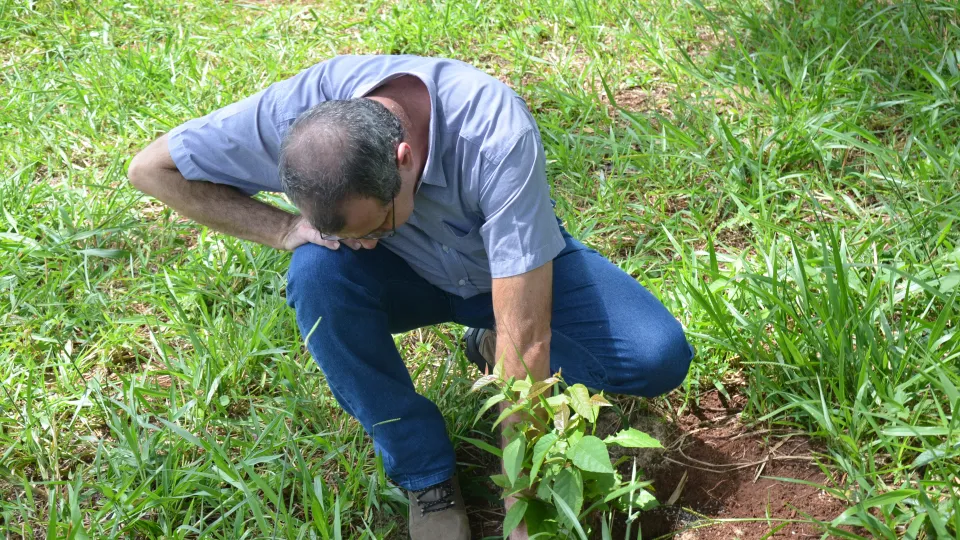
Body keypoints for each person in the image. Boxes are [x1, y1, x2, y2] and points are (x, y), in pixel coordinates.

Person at [128, 54, 694, 539]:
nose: (367, 240)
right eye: (354, 232)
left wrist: (522, 497)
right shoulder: (294, 117)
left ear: (402, 159)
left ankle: (487, 341)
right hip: (400, 280)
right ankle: (427, 477)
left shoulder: (493, 133)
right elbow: (151, 169)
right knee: (315, 274)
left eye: (379, 223)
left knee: (656, 355)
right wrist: (281, 229)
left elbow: (527, 337)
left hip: (503, 271)